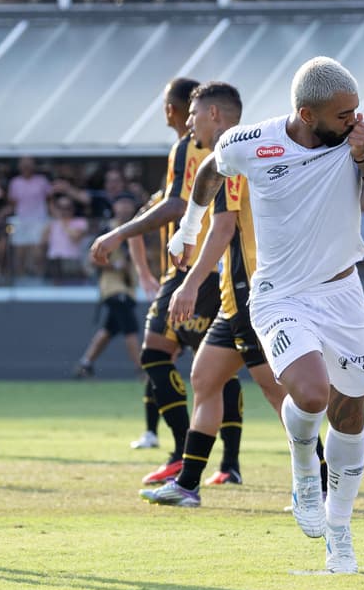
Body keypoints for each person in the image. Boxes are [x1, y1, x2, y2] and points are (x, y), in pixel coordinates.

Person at [166, 57, 364, 573]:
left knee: (351, 415)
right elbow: (211, 169)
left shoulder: (362, 138)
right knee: (313, 393)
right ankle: (303, 469)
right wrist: (188, 228)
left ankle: (339, 530)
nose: (354, 119)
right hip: (279, 296)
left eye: (355, 111)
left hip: (343, 295)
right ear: (306, 113)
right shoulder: (252, 142)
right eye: (343, 115)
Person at [138, 82, 323, 505]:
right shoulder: (251, 149)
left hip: (253, 294)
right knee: (205, 378)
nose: (189, 122)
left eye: (194, 115)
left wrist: (187, 284)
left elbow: (223, 229)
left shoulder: (236, 156)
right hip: (233, 297)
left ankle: (321, 479)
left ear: (216, 115)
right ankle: (188, 485)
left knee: (280, 396)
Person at [90, 77, 244, 480]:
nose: (183, 117)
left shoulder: (196, 149)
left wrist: (119, 233)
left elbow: (175, 205)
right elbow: (164, 207)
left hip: (204, 269)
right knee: (213, 367)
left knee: (167, 357)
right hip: (213, 268)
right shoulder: (219, 148)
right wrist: (142, 264)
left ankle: (187, 455)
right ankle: (225, 463)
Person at [74, 194, 142, 379]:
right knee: (131, 327)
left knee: (109, 329)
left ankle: (85, 363)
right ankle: (141, 370)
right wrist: (114, 265)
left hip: (128, 287)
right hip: (113, 286)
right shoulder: (108, 229)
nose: (126, 208)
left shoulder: (136, 229)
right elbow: (92, 259)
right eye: (122, 203)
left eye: (129, 203)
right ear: (115, 207)